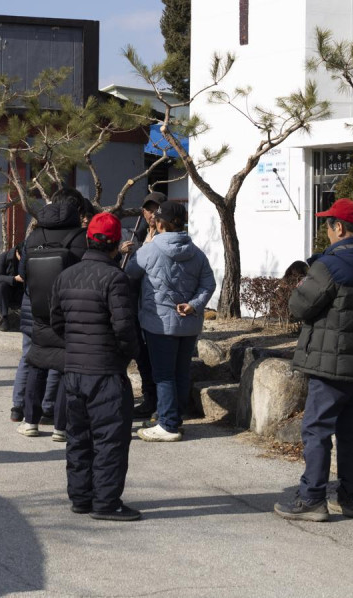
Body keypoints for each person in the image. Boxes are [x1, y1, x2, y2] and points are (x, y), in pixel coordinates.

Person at [274, 198, 353, 523]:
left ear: (339, 228)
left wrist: (304, 281)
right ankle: (351, 497)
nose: (326, 231)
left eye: (328, 225)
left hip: (330, 363)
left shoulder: (329, 265)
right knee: (350, 430)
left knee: (316, 429)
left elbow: (299, 307)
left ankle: (311, 499)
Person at [53, 211, 141, 521]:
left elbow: (56, 322)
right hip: (106, 373)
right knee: (110, 439)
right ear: (116, 245)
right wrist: (127, 356)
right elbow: (125, 330)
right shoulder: (116, 278)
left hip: (74, 372)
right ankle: (106, 503)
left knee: (79, 437)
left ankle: (81, 497)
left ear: (89, 239)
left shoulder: (65, 276)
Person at [126, 200, 215, 442]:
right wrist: (194, 305)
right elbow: (209, 283)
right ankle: (173, 418)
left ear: (160, 223)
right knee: (180, 372)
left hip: (159, 323)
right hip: (188, 323)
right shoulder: (196, 252)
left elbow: (129, 274)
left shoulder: (149, 250)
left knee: (163, 374)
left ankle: (167, 424)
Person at [17, 187, 91, 439]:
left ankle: (30, 422)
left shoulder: (34, 236)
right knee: (64, 368)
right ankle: (61, 427)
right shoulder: (81, 237)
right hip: (69, 312)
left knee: (37, 364)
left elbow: (23, 274)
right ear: (77, 210)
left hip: (39, 310)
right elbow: (85, 274)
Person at [118, 190, 166, 421]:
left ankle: (160, 403)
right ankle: (149, 399)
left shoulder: (168, 236)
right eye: (148, 209)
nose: (150, 213)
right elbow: (126, 271)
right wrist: (123, 252)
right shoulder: (136, 233)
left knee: (157, 356)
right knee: (142, 356)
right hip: (135, 304)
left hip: (157, 305)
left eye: (155, 209)